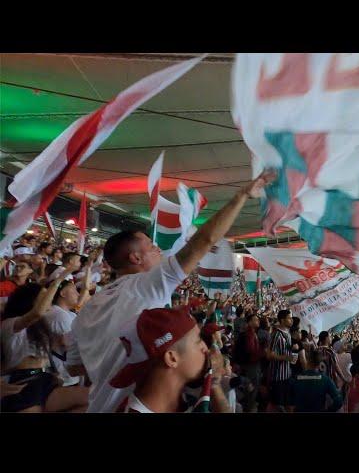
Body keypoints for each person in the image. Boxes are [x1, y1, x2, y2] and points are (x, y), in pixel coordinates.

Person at [66, 171, 275, 412]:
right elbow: (204, 241)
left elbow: (73, 367)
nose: (157, 249)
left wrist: (111, 362)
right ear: (135, 257)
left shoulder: (88, 308)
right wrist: (242, 195)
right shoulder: (146, 287)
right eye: (151, 246)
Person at [1, 268, 89, 412]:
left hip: (44, 379)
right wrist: (60, 278)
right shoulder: (10, 324)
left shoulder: (41, 325)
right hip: (23, 384)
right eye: (45, 297)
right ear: (31, 302)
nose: (50, 300)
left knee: (93, 400)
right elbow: (37, 312)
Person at [110, 307, 230, 413]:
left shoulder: (185, 399)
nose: (206, 348)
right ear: (172, 358)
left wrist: (214, 384)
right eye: (198, 342)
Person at [45, 266, 94, 386]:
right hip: (64, 373)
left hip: (69, 369)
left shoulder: (67, 314)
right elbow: (68, 344)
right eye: (74, 291)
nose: (78, 294)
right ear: (62, 293)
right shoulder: (58, 315)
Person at [265, 309, 296, 412]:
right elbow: (269, 355)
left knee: (287, 403)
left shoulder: (288, 333)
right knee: (276, 405)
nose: (291, 320)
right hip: (278, 377)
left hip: (287, 375)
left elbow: (283, 349)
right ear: (282, 320)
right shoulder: (276, 334)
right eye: (289, 318)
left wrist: (292, 349)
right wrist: (285, 357)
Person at [233, 313, 262, 412]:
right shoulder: (245, 335)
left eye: (258, 319)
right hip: (249, 366)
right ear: (249, 322)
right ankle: (248, 408)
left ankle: (250, 405)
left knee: (253, 389)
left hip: (254, 365)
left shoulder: (255, 333)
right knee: (250, 389)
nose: (257, 321)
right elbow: (240, 351)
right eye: (255, 319)